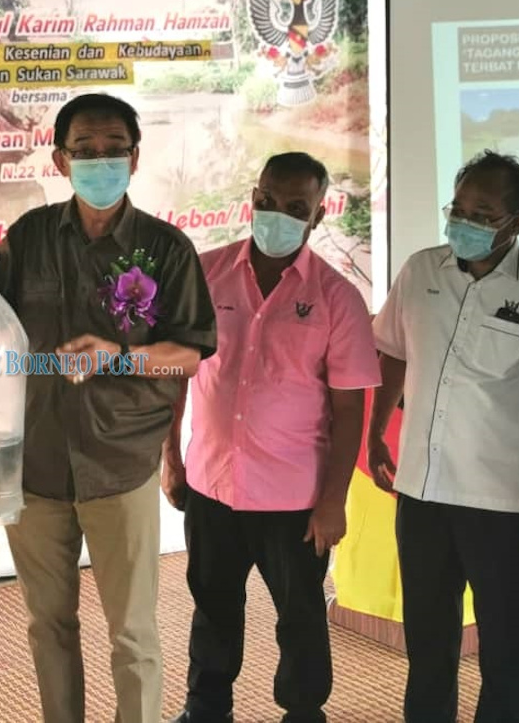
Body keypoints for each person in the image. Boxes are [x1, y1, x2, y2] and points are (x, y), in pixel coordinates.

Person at [0, 93, 217, 723]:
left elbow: (187, 356)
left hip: (119, 463)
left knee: (133, 633)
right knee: (48, 625)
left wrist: (119, 355)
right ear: (60, 160)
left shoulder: (166, 248)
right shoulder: (30, 236)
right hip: (35, 465)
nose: (101, 162)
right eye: (86, 151)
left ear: (135, 158)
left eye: (113, 151)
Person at [162, 152, 381, 723]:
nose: (276, 214)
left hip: (295, 499)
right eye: (267, 200)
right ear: (253, 197)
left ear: (319, 214)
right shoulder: (205, 273)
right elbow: (176, 375)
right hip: (211, 484)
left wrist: (333, 501)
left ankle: (303, 711)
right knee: (212, 608)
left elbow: (349, 410)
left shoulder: (337, 297)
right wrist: (171, 458)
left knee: (299, 616)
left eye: (295, 207)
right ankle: (206, 708)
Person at [367, 150, 519, 723]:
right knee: (428, 638)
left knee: (507, 643)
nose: (463, 222)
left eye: (482, 214)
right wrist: (377, 431)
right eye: (457, 209)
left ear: (517, 222)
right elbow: (392, 353)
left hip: (500, 497)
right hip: (422, 491)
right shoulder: (420, 272)